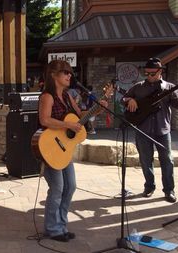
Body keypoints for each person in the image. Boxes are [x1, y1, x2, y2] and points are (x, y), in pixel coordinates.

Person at [38, 60, 108, 242]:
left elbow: (80, 118)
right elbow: (44, 120)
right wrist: (67, 124)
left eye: (70, 73)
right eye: (65, 72)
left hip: (64, 149)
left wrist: (98, 109)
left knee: (70, 186)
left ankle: (61, 225)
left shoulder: (68, 96)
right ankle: (52, 229)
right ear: (53, 75)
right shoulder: (47, 96)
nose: (69, 76)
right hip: (51, 147)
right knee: (57, 188)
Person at [122, 57, 178, 203]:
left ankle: (169, 190)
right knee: (145, 160)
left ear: (160, 72)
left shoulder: (169, 87)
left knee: (167, 160)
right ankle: (149, 187)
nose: (149, 76)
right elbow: (123, 98)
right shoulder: (139, 87)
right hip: (143, 130)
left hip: (163, 130)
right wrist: (130, 100)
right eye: (146, 73)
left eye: (152, 74)